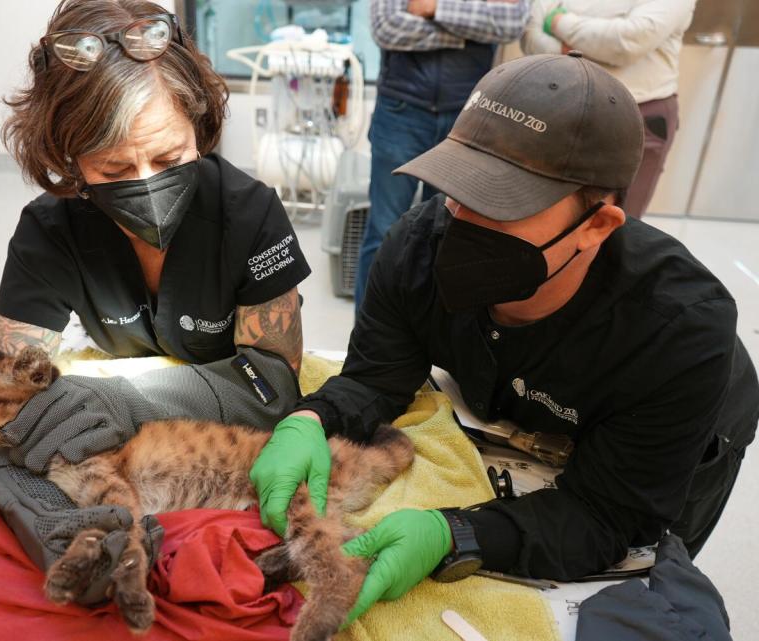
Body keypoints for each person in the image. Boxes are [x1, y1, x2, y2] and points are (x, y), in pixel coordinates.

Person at [250, 52, 759, 623]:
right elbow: (377, 375)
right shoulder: (417, 250)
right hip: (531, 406)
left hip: (684, 432)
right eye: (457, 187)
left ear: (596, 225)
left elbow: (608, 516)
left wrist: (456, 533)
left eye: (502, 205)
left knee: (652, 574)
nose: (462, 221)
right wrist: (311, 419)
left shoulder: (678, 333)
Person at [0, 0, 310, 372]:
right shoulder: (49, 233)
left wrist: (124, 401)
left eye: (169, 159)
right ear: (70, 159)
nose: (146, 183)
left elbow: (272, 383)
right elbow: (8, 391)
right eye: (114, 170)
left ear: (198, 127)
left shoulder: (251, 217)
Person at [354, 0, 531, 309]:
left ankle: (428, 332)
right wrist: (470, 33)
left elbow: (510, 22)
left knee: (448, 234)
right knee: (383, 230)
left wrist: (434, 9)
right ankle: (368, 334)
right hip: (401, 111)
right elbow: (387, 28)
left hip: (466, 116)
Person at [521, 0, 697, 218]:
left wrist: (556, 20)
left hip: (637, 112)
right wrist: (582, 45)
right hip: (560, 105)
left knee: (614, 223)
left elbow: (628, 41)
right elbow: (530, 33)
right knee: (543, 215)